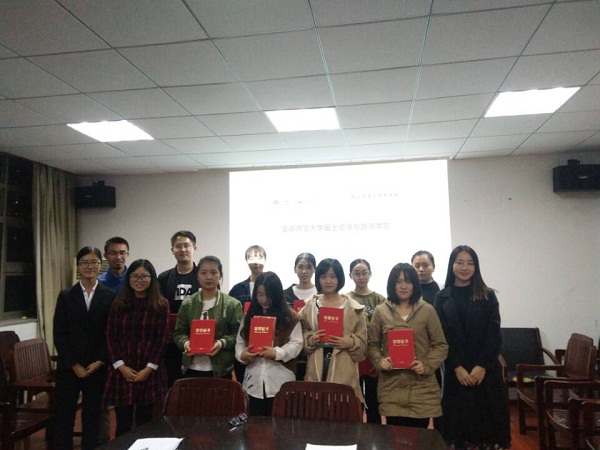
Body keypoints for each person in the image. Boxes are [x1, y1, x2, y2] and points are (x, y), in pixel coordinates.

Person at [434, 245, 511, 449]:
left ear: (476, 267)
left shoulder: (487, 295)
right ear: (452, 265)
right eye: (459, 262)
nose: (464, 267)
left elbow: (494, 335)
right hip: (456, 372)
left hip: (486, 371)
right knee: (458, 429)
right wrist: (456, 366)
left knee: (488, 430)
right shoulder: (442, 297)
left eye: (470, 263)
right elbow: (441, 337)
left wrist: (482, 366)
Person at [368, 263, 448, 429]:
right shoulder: (381, 311)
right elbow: (372, 344)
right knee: (395, 436)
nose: (403, 286)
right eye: (398, 282)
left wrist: (426, 365)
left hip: (421, 386)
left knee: (420, 437)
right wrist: (380, 361)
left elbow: (441, 345)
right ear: (392, 284)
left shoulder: (427, 310)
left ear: (415, 285)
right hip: (391, 386)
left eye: (408, 281)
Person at [53, 247, 116, 450]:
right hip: (69, 368)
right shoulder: (66, 295)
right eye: (84, 263)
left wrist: (100, 361)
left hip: (97, 368)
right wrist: (74, 364)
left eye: (94, 262)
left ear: (100, 265)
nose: (89, 266)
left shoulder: (110, 296)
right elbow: (59, 334)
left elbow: (111, 333)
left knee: (92, 418)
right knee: (64, 417)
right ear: (78, 266)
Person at [104, 259, 169, 437]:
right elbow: (110, 336)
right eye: (134, 276)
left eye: (144, 276)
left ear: (152, 279)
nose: (139, 280)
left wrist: (148, 369)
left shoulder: (161, 304)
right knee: (123, 424)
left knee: (145, 424)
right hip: (123, 370)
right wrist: (121, 366)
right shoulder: (118, 303)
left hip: (149, 371)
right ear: (128, 278)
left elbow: (162, 339)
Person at [297, 258, 367, 402]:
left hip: (344, 371)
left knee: (341, 409)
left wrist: (350, 342)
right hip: (315, 369)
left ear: (340, 278)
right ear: (318, 278)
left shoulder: (354, 308)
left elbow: (363, 344)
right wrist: (311, 338)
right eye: (323, 276)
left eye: (333, 276)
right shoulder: (310, 306)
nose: (328, 281)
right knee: (316, 409)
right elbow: (298, 336)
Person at [236, 271, 302, 416]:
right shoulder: (249, 316)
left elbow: (297, 344)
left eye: (269, 295)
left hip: (280, 381)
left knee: (280, 425)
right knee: (255, 425)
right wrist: (242, 355)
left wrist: (277, 353)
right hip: (253, 382)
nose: (264, 300)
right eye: (260, 295)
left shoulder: (290, 317)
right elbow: (239, 343)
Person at [174, 255, 243, 379]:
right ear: (197, 276)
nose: (209, 277)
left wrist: (221, 343)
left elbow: (237, 335)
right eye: (203, 273)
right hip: (192, 367)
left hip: (221, 369)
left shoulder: (232, 304)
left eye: (213, 272)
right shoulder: (188, 303)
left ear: (220, 276)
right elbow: (179, 333)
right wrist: (186, 343)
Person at [158, 230, 200, 387]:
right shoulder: (163, 278)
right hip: (171, 343)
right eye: (178, 246)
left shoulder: (204, 276)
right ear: (172, 250)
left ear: (194, 248)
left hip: (198, 341)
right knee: (173, 385)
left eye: (187, 245)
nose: (183, 249)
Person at [346, 258, 386, 424]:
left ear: (370, 274)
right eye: (357, 273)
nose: (361, 277)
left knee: (373, 400)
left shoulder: (379, 299)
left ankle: (374, 435)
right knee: (354, 400)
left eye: (364, 273)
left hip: (372, 356)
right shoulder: (346, 298)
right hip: (353, 354)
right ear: (350, 275)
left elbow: (384, 331)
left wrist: (380, 359)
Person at [229, 244, 266, 382]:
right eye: (251, 258)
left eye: (259, 258)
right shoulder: (237, 289)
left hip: (267, 344)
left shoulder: (273, 287)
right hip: (244, 342)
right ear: (246, 261)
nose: (256, 262)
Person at [283, 252, 317, 381]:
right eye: (300, 267)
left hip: (314, 350)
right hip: (289, 351)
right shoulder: (284, 295)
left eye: (309, 267)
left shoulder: (320, 295)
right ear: (294, 269)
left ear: (314, 269)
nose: (304, 271)